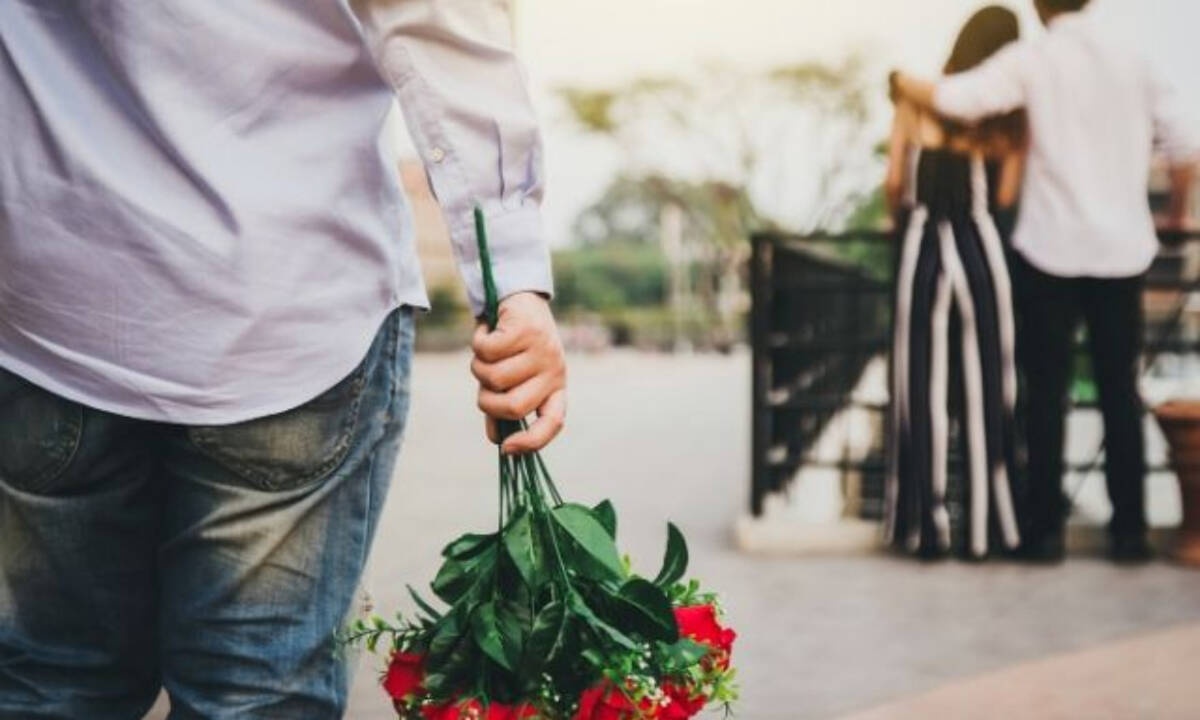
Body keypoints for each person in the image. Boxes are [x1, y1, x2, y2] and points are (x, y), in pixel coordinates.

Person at [0, 1, 566, 717]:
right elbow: (435, 20)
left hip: (50, 304)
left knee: (53, 681)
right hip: (289, 306)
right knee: (255, 694)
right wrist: (511, 276)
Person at [893, 0, 1199, 563]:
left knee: (1045, 395)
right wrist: (1177, 214)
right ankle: (1128, 533)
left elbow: (959, 98)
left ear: (1039, 5)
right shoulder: (1133, 58)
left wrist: (898, 81)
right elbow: (1184, 145)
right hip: (1121, 251)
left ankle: (1043, 533)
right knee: (1119, 391)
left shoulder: (1034, 59)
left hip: (1049, 249)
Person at [883, 6, 1025, 560]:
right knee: (991, 383)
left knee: (920, 383)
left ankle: (925, 527)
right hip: (981, 245)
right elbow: (1009, 196)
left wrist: (900, 217)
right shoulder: (1011, 114)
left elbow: (895, 181)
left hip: (921, 241)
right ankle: (989, 528)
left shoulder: (917, 100)